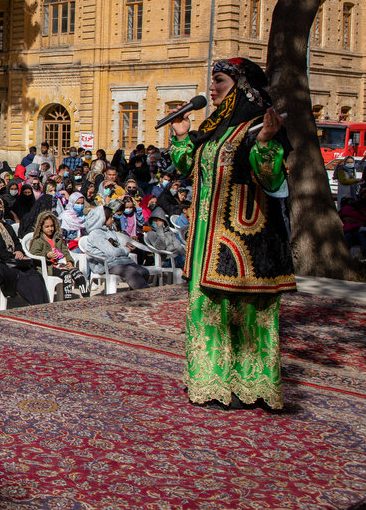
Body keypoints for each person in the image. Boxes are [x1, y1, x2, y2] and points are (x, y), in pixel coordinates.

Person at [169, 57, 294, 410]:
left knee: (247, 315)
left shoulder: (258, 125)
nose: (212, 88)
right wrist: (181, 136)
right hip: (207, 238)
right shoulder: (216, 127)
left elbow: (272, 179)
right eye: (212, 81)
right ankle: (212, 383)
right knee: (207, 313)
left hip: (246, 238)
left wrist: (267, 143)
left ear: (241, 86)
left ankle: (250, 386)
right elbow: (188, 165)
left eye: (220, 81)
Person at [0, 196, 48, 306]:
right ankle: (36, 304)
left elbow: (16, 242)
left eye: (0, 207)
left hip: (12, 260)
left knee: (34, 274)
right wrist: (10, 255)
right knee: (19, 276)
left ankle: (43, 305)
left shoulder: (6, 226)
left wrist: (19, 251)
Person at [80, 205, 151, 291]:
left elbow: (115, 247)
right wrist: (127, 250)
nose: (113, 219)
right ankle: (145, 294)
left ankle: (134, 294)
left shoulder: (109, 231)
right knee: (131, 272)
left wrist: (124, 247)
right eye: (110, 217)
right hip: (105, 263)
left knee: (143, 271)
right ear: (102, 219)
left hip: (118, 261)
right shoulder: (96, 234)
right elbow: (113, 252)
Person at [26, 211, 89, 300]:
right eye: (47, 227)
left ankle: (87, 297)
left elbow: (65, 251)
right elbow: (34, 254)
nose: (50, 229)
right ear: (41, 227)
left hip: (62, 264)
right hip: (50, 267)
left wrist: (70, 262)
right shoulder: (38, 240)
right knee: (67, 276)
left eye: (52, 226)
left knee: (79, 275)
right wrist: (47, 255)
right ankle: (67, 301)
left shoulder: (57, 239)